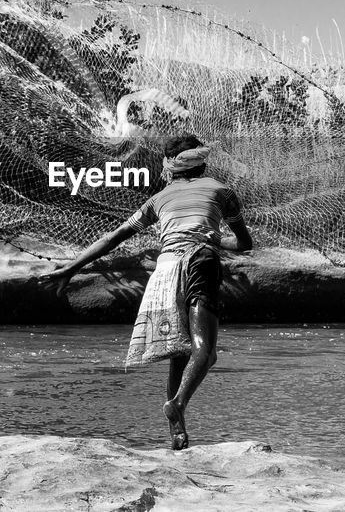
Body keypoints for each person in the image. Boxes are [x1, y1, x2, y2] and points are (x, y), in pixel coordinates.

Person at [40, 134, 253, 450]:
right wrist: (211, 239)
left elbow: (113, 238)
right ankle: (178, 403)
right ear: (203, 163)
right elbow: (245, 243)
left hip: (164, 271)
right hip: (200, 261)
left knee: (180, 352)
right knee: (205, 352)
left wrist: (70, 269)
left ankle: (177, 434)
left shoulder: (158, 199)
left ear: (169, 168)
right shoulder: (221, 191)